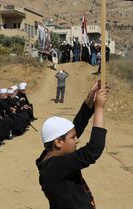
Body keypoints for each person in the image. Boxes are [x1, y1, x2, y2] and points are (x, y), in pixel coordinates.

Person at [36, 80, 108, 209]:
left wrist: (89, 99)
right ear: (58, 142)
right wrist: (99, 108)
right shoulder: (55, 167)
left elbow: (76, 127)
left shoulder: (49, 155)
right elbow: (93, 150)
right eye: (73, 138)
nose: (77, 140)